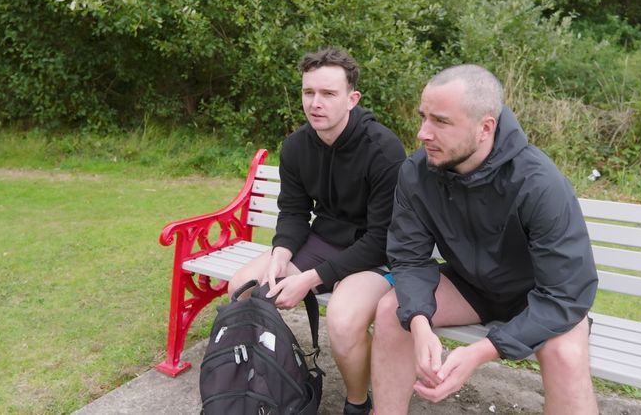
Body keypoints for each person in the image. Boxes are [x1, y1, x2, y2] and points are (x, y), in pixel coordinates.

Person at [371, 64, 599, 415]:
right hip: (472, 287)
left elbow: (566, 293)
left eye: (441, 122)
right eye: (423, 117)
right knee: (393, 311)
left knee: (565, 355)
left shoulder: (538, 182)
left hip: (537, 297)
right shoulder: (417, 172)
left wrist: (482, 351)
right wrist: (420, 324)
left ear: (485, 127)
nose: (423, 133)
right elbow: (408, 258)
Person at [228, 47, 406, 415]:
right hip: (324, 241)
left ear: (352, 99)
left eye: (328, 94)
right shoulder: (295, 146)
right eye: (309, 93)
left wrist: (310, 278)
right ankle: (266, 379)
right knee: (243, 289)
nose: (316, 103)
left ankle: (357, 403)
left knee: (342, 319)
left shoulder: (384, 150)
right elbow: (293, 212)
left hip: (377, 254)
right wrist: (281, 254)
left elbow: (381, 237)